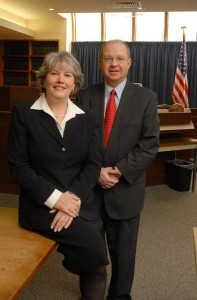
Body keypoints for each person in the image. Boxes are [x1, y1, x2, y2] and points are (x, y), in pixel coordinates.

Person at [7, 51, 109, 300]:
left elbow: (93, 165)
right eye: (54, 73)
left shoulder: (89, 118)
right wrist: (56, 199)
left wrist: (70, 199)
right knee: (95, 254)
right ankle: (77, 261)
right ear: (43, 79)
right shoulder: (23, 114)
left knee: (95, 257)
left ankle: (79, 268)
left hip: (78, 201)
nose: (60, 79)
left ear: (75, 82)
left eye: (67, 75)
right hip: (40, 205)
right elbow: (19, 167)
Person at [76, 40, 160, 300]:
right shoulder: (84, 96)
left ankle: (120, 296)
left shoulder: (147, 98)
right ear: (100, 62)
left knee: (124, 255)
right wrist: (96, 172)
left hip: (125, 190)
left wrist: (117, 171)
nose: (114, 64)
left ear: (129, 63)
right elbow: (76, 142)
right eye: (108, 58)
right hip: (89, 191)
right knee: (90, 252)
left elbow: (149, 145)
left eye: (120, 58)